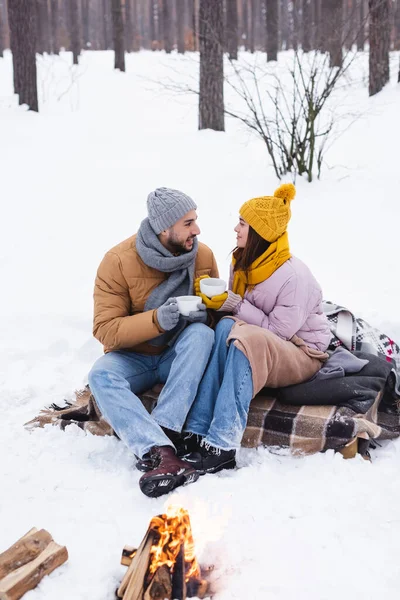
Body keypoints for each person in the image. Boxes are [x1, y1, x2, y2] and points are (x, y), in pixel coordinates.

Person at [183, 183, 331, 474]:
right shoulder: (243, 261)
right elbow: (242, 316)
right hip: (265, 341)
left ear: (260, 233)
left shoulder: (293, 276)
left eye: (242, 224)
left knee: (245, 338)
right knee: (225, 328)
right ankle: (197, 429)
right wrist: (220, 302)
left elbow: (277, 333)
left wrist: (235, 304)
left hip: (303, 352)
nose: (235, 229)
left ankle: (223, 444)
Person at [88, 187, 219, 498]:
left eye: (196, 221)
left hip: (179, 353)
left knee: (203, 334)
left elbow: (214, 320)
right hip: (135, 356)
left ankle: (167, 427)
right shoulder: (118, 261)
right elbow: (105, 329)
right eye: (188, 223)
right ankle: (160, 451)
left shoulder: (202, 256)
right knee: (100, 375)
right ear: (165, 228)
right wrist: (157, 320)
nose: (197, 230)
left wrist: (208, 313)